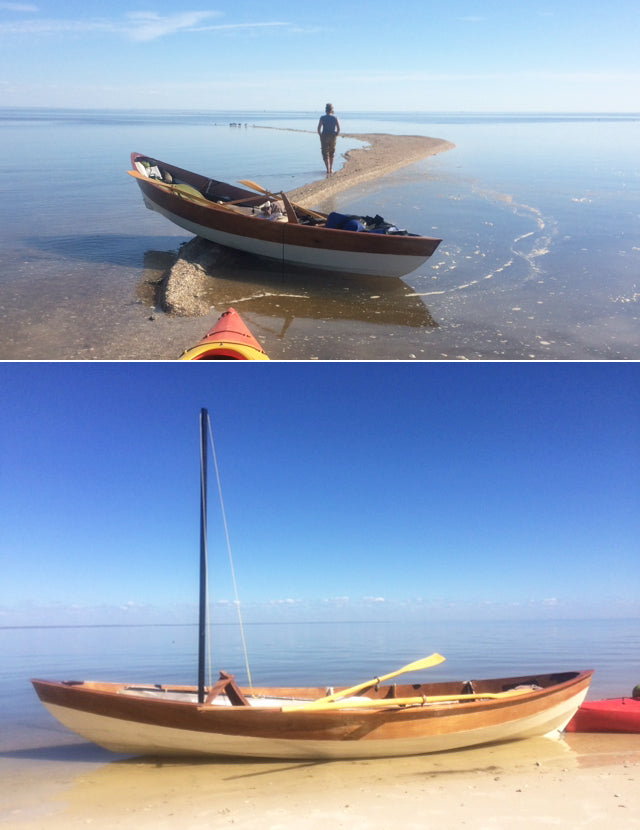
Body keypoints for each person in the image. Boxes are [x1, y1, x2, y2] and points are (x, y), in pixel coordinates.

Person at [317, 103, 340, 175]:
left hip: (324, 136)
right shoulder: (335, 118)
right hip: (333, 136)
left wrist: (320, 135)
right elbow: (338, 128)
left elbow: (319, 129)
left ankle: (327, 169)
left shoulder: (322, 118)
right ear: (332, 110)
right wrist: (336, 135)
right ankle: (331, 168)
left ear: (326, 110)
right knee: (331, 152)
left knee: (325, 153)